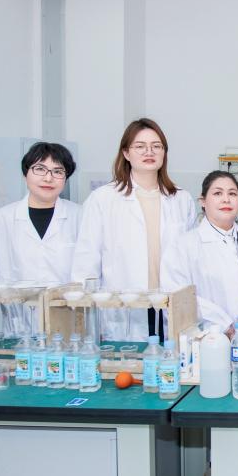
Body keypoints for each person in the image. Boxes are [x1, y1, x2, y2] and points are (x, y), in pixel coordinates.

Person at [71, 118, 196, 340]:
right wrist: (85, 314)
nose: (149, 152)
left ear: (164, 153)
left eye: (156, 146)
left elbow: (190, 257)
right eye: (140, 146)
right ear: (126, 153)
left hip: (170, 304)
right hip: (122, 309)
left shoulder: (181, 199)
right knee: (127, 360)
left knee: (171, 357)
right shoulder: (103, 199)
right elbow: (86, 261)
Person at [0, 142, 81, 336]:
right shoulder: (1, 220)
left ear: (65, 178)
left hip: (72, 325)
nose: (48, 178)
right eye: (40, 169)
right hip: (19, 327)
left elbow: (95, 274)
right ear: (25, 173)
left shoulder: (82, 217)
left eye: (57, 171)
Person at [161, 170, 238, 331]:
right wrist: (224, 325)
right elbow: (178, 297)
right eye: (218, 193)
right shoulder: (182, 246)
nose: (226, 199)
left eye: (232, 194)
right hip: (207, 335)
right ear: (203, 201)